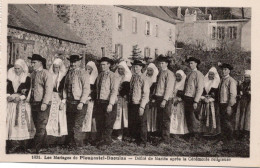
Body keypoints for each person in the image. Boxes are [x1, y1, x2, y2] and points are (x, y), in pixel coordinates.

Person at [6, 59, 35, 153]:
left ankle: (23, 144)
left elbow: (27, 91)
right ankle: (13, 144)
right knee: (10, 123)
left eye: (18, 68)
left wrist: (20, 97)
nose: (16, 70)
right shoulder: (10, 77)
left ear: (22, 69)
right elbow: (6, 89)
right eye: (15, 68)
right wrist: (8, 96)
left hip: (22, 103)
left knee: (22, 123)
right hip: (11, 103)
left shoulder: (27, 78)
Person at [61, 55, 90, 147]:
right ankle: (70, 142)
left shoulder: (83, 73)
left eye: (75, 62)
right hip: (70, 102)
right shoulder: (68, 73)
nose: (73, 64)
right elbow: (65, 88)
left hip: (80, 102)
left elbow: (86, 89)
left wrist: (82, 102)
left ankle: (78, 143)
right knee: (70, 123)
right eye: (71, 62)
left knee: (77, 124)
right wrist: (64, 99)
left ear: (79, 62)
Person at [28, 54, 53, 154]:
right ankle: (45, 146)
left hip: (43, 104)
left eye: (34, 62)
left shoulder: (46, 73)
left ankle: (36, 148)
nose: (32, 64)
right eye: (32, 62)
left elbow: (48, 90)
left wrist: (45, 103)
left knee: (41, 126)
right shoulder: (33, 74)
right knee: (39, 126)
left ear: (40, 63)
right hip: (34, 102)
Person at [93, 57, 119, 148]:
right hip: (100, 102)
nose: (102, 66)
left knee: (108, 122)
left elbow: (114, 90)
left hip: (109, 102)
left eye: (104, 64)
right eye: (101, 64)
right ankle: (100, 139)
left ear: (109, 65)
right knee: (100, 121)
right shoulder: (100, 75)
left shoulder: (113, 75)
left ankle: (106, 141)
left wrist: (111, 104)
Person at [154, 55, 175, 145]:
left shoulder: (169, 74)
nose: (161, 65)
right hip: (159, 98)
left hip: (166, 99)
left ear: (166, 64)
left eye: (163, 63)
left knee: (165, 119)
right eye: (160, 63)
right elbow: (157, 86)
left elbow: (169, 88)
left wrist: (165, 100)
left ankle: (166, 140)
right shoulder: (160, 73)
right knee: (160, 118)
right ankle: (161, 137)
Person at [46, 58, 68, 145]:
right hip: (51, 97)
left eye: (58, 67)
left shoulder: (63, 77)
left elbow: (65, 90)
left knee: (60, 118)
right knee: (51, 118)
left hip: (59, 98)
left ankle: (60, 140)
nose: (56, 69)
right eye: (55, 67)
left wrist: (63, 101)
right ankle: (49, 140)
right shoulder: (49, 75)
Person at [129, 59, 149, 147]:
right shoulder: (133, 77)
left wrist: (142, 106)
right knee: (135, 122)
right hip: (134, 102)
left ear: (141, 67)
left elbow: (145, 93)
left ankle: (143, 141)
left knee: (142, 122)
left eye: (137, 67)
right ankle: (136, 138)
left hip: (141, 104)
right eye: (134, 67)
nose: (135, 68)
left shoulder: (144, 78)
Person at [183, 57, 204, 138]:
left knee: (194, 117)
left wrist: (196, 101)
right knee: (188, 117)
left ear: (196, 64)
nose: (190, 65)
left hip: (194, 98)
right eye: (189, 63)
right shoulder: (189, 74)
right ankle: (191, 134)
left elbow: (200, 88)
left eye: (192, 63)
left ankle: (196, 135)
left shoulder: (199, 74)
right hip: (187, 98)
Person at [113, 61, 132, 141]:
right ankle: (118, 133)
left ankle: (125, 134)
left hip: (125, 101)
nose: (120, 70)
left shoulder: (128, 78)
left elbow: (128, 90)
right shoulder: (115, 76)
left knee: (124, 117)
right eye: (119, 69)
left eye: (122, 69)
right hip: (117, 99)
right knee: (117, 117)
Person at [199, 67, 221, 137]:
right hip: (205, 102)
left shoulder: (217, 83)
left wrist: (210, 99)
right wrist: (203, 98)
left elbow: (218, 94)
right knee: (204, 115)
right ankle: (205, 131)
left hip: (213, 103)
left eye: (212, 74)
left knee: (212, 116)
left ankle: (213, 132)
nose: (210, 76)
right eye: (209, 74)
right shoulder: (205, 82)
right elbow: (201, 92)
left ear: (215, 75)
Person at [218, 63, 237, 141]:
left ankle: (230, 138)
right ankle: (224, 137)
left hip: (228, 104)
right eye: (222, 69)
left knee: (228, 121)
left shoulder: (231, 80)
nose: (223, 71)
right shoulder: (222, 80)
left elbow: (233, 94)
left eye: (225, 69)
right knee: (222, 120)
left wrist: (229, 106)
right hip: (222, 103)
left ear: (229, 71)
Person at [82, 61, 98, 143]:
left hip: (92, 100)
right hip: (85, 99)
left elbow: (96, 89)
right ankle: (85, 135)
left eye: (89, 69)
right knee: (85, 117)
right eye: (86, 69)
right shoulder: (84, 76)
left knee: (92, 118)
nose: (87, 71)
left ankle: (93, 136)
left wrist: (91, 95)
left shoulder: (96, 78)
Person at [170, 70, 189, 135]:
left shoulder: (185, 84)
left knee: (179, 115)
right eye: (176, 76)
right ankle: (173, 131)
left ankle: (180, 131)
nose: (177, 77)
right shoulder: (174, 82)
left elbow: (185, 93)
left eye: (179, 76)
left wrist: (179, 100)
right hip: (173, 100)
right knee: (173, 115)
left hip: (180, 101)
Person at [143, 63, 159, 138]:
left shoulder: (156, 80)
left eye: (151, 70)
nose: (149, 72)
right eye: (148, 70)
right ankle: (147, 130)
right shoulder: (145, 78)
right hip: (146, 99)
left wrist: (153, 98)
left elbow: (156, 90)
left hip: (153, 99)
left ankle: (153, 131)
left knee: (153, 115)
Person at [235, 70, 250, 137]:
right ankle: (239, 130)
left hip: (248, 102)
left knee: (247, 116)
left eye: (248, 77)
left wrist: (248, 93)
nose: (246, 79)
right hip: (241, 101)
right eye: (245, 77)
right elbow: (238, 92)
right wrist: (239, 95)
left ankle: (246, 130)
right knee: (240, 115)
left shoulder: (251, 85)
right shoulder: (241, 84)